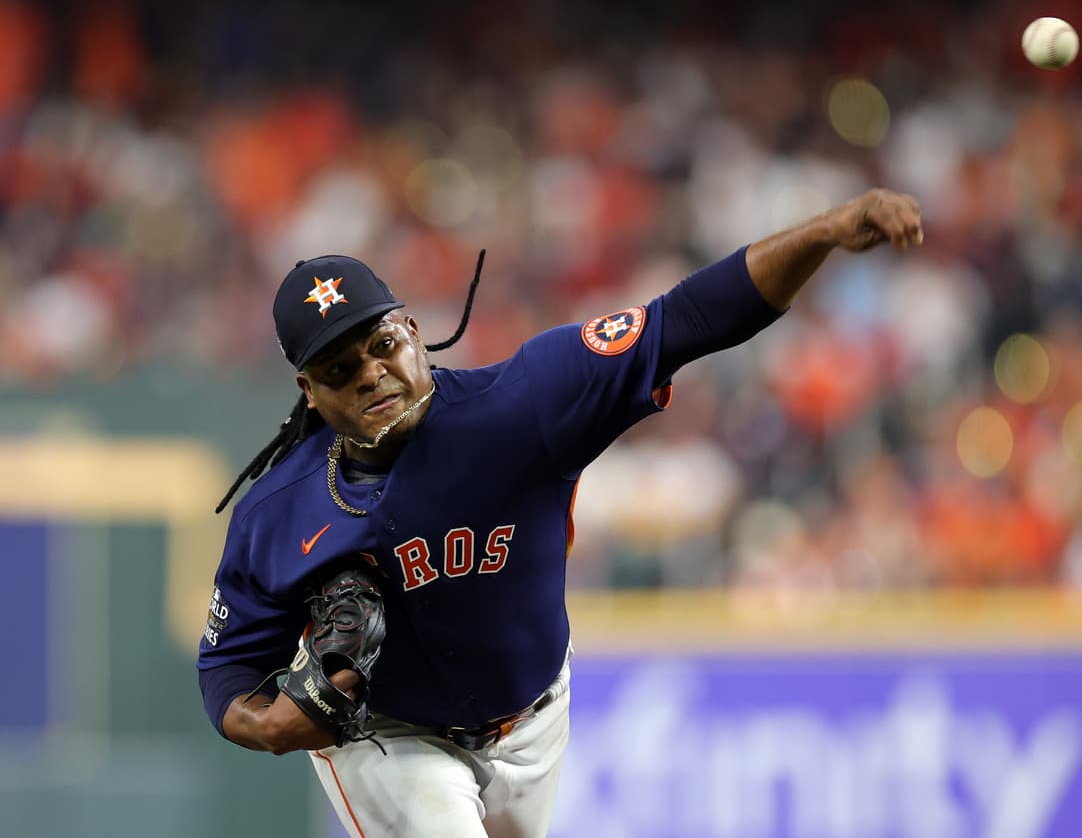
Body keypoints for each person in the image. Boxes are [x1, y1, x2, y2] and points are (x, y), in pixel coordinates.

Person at [197, 188, 924, 837]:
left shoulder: (524, 404)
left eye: (382, 345)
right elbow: (228, 672)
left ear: (413, 330)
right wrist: (272, 724)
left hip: (535, 718)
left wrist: (823, 232)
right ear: (308, 389)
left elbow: (690, 319)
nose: (372, 374)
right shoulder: (277, 513)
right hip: (386, 739)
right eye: (339, 369)